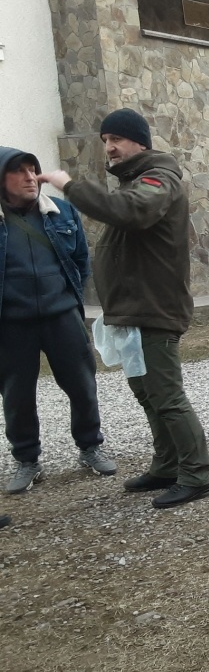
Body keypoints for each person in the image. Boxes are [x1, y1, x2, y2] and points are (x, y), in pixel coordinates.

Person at [37, 109, 209, 509]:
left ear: (141, 142)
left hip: (155, 310)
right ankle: (167, 465)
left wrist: (71, 186)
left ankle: (196, 474)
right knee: (147, 394)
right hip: (132, 311)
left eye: (116, 138)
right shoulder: (134, 181)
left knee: (166, 396)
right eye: (104, 141)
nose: (109, 147)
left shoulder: (158, 179)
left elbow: (132, 211)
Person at [0, 147, 116, 494]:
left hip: (61, 316)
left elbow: (80, 261)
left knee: (82, 385)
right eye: (19, 171)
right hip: (11, 323)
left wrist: (68, 300)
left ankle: (90, 446)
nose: (29, 177)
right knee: (17, 395)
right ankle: (27, 460)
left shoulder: (61, 211)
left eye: (32, 169)